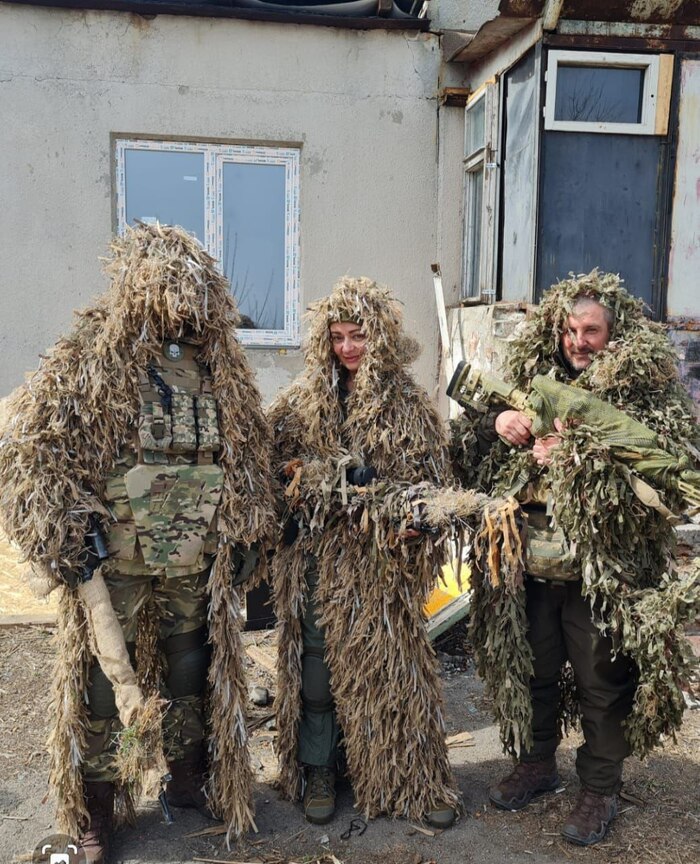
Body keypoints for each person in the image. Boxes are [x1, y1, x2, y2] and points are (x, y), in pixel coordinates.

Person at [0, 224, 275, 861]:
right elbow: (28, 449)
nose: (177, 306)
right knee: (104, 680)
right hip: (116, 558)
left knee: (190, 666)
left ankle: (185, 777)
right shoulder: (93, 353)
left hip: (191, 552)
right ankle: (96, 810)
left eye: (189, 294)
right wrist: (63, 530)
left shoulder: (217, 363)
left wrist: (248, 529)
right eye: (165, 291)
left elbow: (248, 453)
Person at [451, 270, 698, 846]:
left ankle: (599, 789)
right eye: (569, 331)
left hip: (600, 575)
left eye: (591, 331)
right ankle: (537, 764)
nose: (578, 342)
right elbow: (470, 450)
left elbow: (670, 479)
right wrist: (498, 421)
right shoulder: (531, 381)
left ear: (615, 333)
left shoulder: (641, 396)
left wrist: (579, 454)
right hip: (532, 568)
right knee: (532, 672)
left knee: (601, 684)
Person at [268, 276, 460, 828]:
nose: (348, 347)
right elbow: (273, 464)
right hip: (318, 559)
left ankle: (410, 781)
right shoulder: (304, 401)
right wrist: (306, 481)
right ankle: (320, 770)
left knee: (393, 669)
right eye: (337, 337)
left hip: (379, 565)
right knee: (317, 668)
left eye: (358, 335)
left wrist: (406, 513)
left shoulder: (408, 406)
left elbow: (433, 485)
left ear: (380, 337)